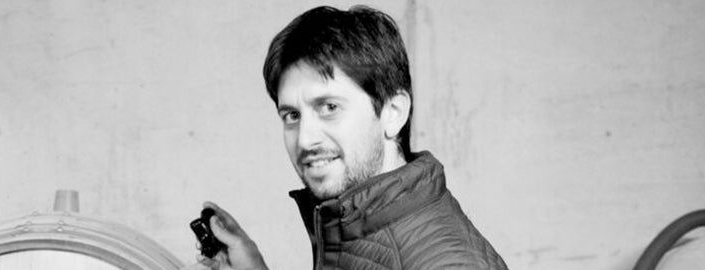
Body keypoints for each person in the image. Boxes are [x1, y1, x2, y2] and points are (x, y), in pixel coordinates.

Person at [192, 5, 508, 270]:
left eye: (329, 107)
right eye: (292, 116)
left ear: (393, 112)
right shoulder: (354, 225)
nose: (305, 140)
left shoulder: (448, 264)